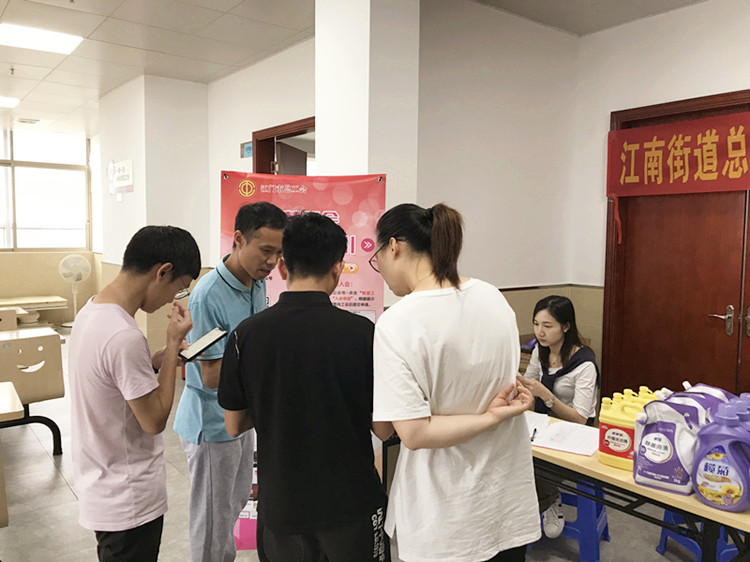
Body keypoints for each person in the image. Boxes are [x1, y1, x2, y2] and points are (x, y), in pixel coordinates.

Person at [370, 203, 540, 562]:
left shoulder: (398, 322)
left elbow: (414, 433)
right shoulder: (493, 298)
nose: (380, 268)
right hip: (506, 504)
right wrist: (493, 415)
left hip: (445, 520)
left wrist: (489, 417)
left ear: (394, 247)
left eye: (377, 257)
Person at [218, 212, 387, 562]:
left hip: (282, 506)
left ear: (283, 267)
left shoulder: (245, 335)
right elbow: (383, 428)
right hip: (350, 504)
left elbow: (233, 424)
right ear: (338, 269)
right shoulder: (364, 334)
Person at [69, 225, 201, 562]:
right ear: (163, 271)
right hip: (127, 498)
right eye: (179, 288)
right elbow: (154, 420)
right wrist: (172, 343)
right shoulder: (123, 335)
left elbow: (112, 380)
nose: (173, 299)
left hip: (102, 483)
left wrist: (154, 361)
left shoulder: (91, 311)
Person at [173, 201, 287, 562]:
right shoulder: (209, 295)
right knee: (212, 519)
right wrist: (268, 364)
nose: (272, 261)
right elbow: (210, 376)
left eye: (278, 253)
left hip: (241, 418)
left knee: (235, 502)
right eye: (265, 250)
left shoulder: (256, 283)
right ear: (238, 239)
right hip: (211, 422)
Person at [516, 295, 599, 539]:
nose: (539, 332)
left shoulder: (584, 364)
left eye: (547, 326)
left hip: (575, 430)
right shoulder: (540, 351)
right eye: (536, 324)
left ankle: (550, 500)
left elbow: (581, 419)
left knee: (537, 463)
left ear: (565, 326)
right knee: (514, 452)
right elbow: (528, 383)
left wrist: (546, 395)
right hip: (545, 423)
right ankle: (528, 506)